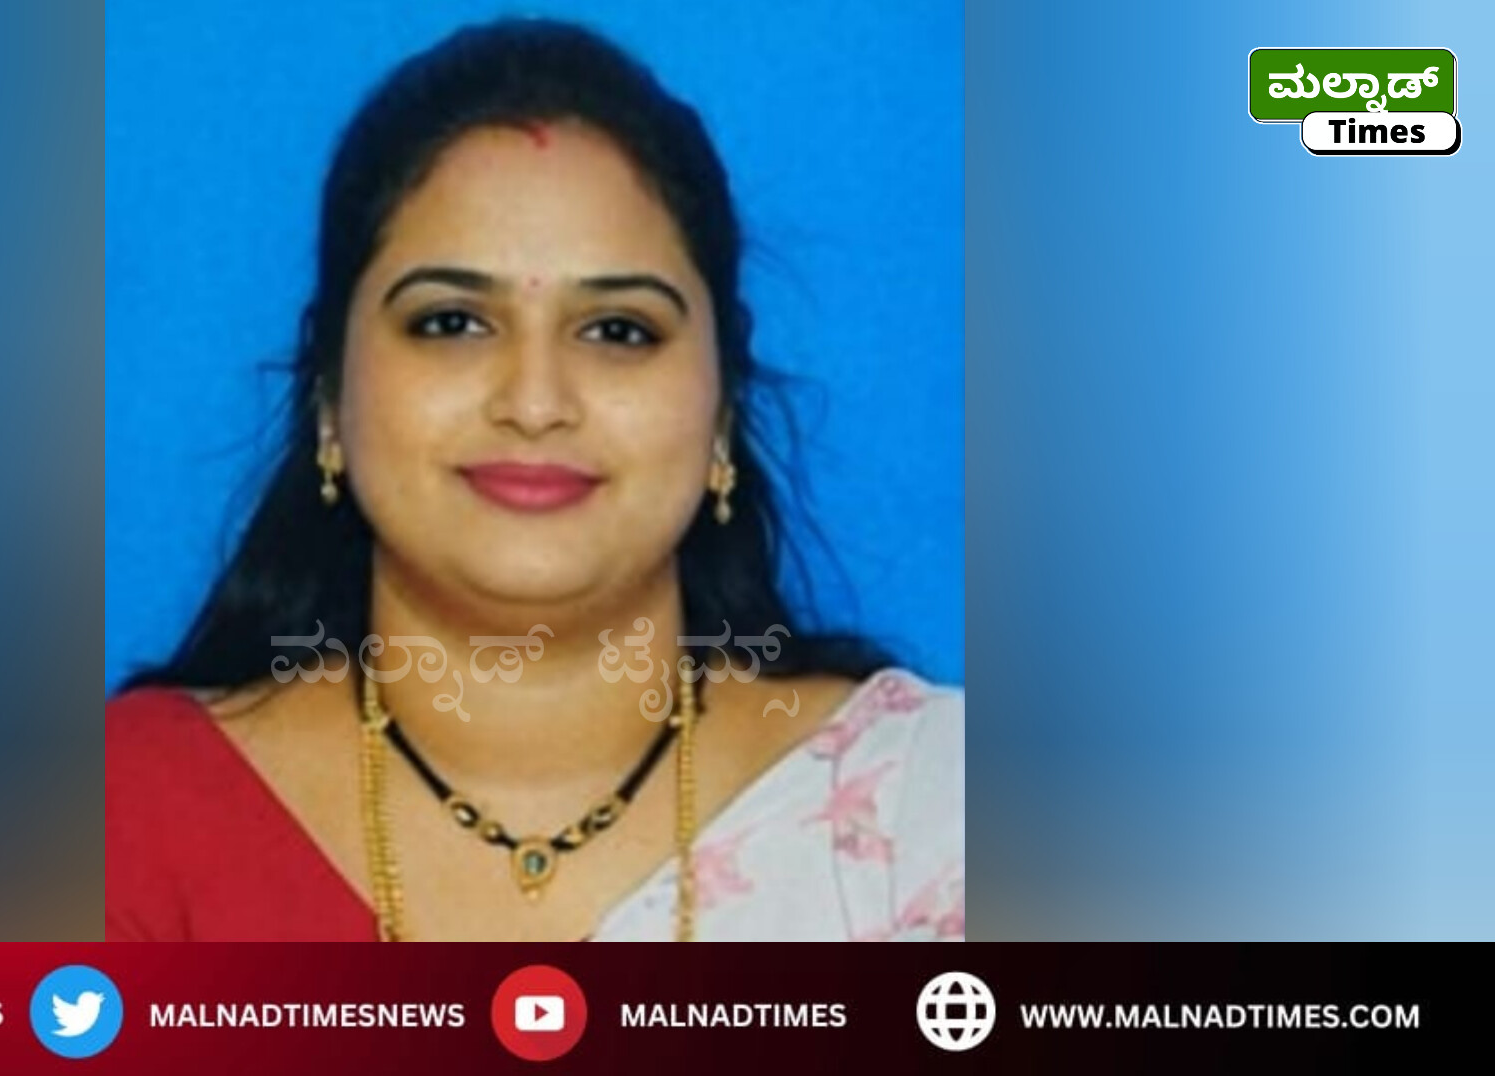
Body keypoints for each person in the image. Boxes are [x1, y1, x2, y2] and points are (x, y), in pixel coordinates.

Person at [107, 17, 961, 941]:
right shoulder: (125, 815)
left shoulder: (934, 811)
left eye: (618, 331)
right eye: (451, 323)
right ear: (328, 403)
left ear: (721, 416)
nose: (535, 400)